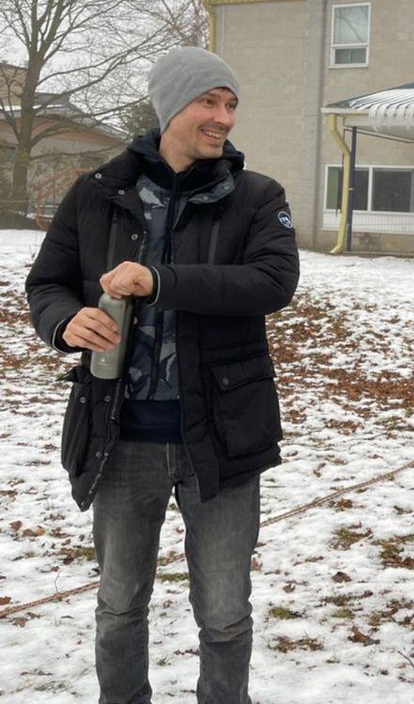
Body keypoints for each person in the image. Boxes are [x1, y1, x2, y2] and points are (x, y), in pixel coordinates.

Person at [26, 47, 300, 704]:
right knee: (120, 603)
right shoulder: (97, 194)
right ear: (171, 106)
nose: (223, 117)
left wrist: (161, 280)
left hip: (222, 434)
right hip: (120, 435)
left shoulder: (256, 197)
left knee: (225, 612)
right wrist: (65, 321)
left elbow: (272, 282)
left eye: (230, 104)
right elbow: (46, 284)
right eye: (209, 101)